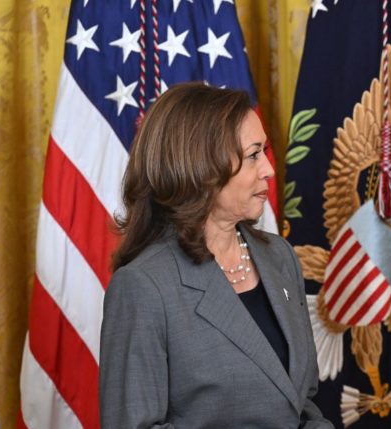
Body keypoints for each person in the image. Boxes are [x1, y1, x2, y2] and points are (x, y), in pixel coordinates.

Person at [99, 82, 332, 428]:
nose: (269, 169)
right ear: (202, 169)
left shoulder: (278, 256)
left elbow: (301, 403)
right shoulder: (143, 287)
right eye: (254, 155)